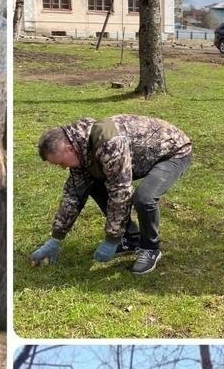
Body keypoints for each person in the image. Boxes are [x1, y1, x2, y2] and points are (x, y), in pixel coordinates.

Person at [30, 114, 193, 276]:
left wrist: (111, 238)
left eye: (61, 163)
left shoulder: (108, 142)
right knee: (91, 184)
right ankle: (131, 239)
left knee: (144, 198)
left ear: (69, 149)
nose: (63, 168)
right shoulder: (80, 149)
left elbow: (120, 191)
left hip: (173, 152)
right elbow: (73, 196)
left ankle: (150, 249)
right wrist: (56, 238)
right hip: (140, 157)